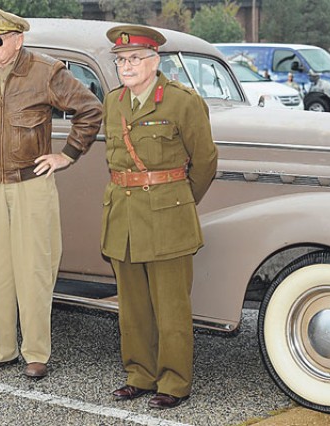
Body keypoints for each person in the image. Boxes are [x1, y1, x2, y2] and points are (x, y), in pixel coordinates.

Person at [0, 6, 102, 379]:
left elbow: (90, 109)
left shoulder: (46, 72)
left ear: (17, 40)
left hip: (31, 185)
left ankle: (37, 352)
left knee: (35, 269)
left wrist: (67, 155)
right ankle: (2, 348)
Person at [101, 25, 218, 409]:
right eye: (121, 60)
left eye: (135, 58)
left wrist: (178, 203)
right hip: (124, 218)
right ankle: (139, 374)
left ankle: (174, 382)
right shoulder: (114, 102)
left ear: (155, 61)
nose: (126, 66)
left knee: (171, 308)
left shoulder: (182, 102)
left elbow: (205, 163)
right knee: (132, 308)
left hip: (168, 218)